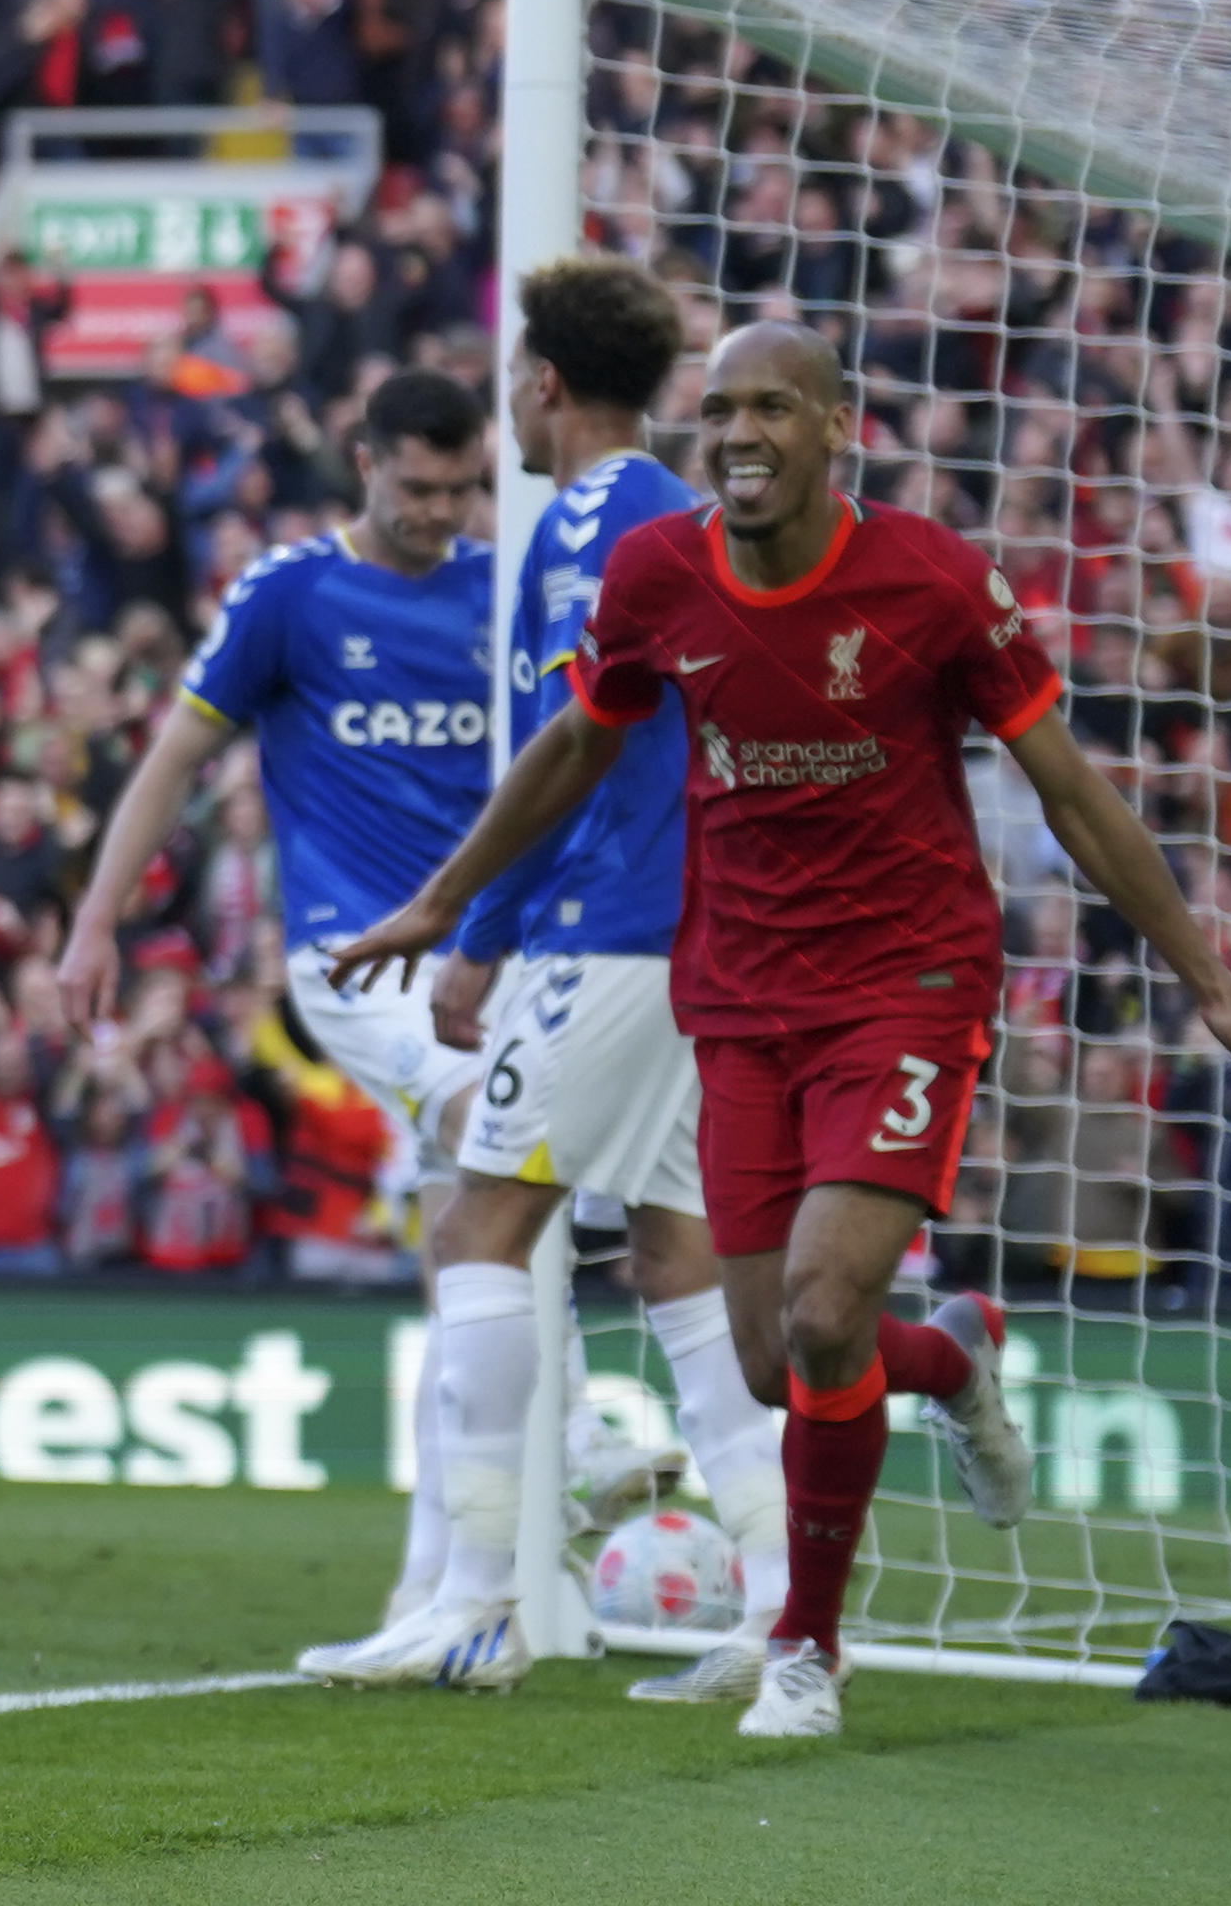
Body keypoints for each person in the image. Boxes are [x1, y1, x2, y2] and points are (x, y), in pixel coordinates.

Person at [330, 321, 1231, 1741]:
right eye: (721, 409)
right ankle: (957, 1357)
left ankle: (806, 1646)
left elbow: (1075, 794)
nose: (740, 434)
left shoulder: (929, 582)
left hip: (907, 985)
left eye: (774, 409)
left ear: (837, 427)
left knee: (818, 1305)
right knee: (773, 1363)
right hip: (736, 998)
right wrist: (445, 900)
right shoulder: (657, 572)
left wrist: (1213, 986)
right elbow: (575, 743)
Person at [333, 257, 789, 1697]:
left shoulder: (591, 520)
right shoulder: (684, 510)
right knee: (677, 1261)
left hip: (609, 928)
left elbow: (573, 749)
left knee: (476, 1230)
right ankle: (784, 1607)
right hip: (703, 934)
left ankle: (476, 1603)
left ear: (540, 382)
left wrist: (474, 928)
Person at [59, 368, 494, 1653]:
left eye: (460, 487)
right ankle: (572, 1444)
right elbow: (175, 758)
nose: (436, 511)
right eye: (415, 487)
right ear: (364, 462)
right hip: (353, 962)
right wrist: (96, 918)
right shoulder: (290, 593)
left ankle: (432, 1593)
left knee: (467, 1248)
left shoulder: (498, 589)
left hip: (485, 958)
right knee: (492, 1144)